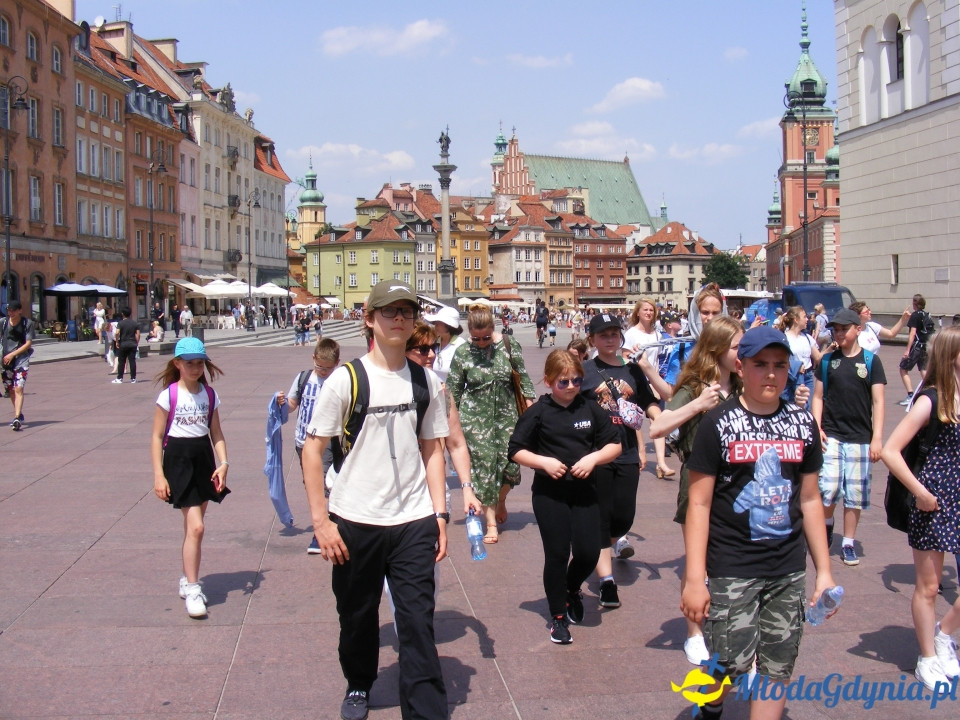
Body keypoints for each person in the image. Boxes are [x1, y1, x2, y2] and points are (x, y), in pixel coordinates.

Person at [301, 281, 451, 720]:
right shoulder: (346, 380)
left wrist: (440, 512)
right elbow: (313, 450)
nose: (399, 319)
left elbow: (433, 450)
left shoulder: (425, 379)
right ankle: (358, 683)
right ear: (369, 318)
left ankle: (425, 712)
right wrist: (320, 522)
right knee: (357, 616)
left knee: (418, 623)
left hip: (413, 520)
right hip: (354, 519)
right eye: (389, 311)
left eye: (406, 311)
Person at [682, 326, 834, 720]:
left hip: (786, 568)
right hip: (733, 565)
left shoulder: (802, 425)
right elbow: (698, 504)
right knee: (727, 662)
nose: (770, 374)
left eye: (780, 366)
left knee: (777, 666)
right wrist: (694, 579)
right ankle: (711, 701)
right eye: (760, 364)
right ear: (740, 366)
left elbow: (810, 498)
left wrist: (824, 572)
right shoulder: (718, 423)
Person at [509, 350, 621, 644]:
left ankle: (571, 589)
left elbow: (615, 445)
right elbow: (516, 449)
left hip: (585, 492)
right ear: (548, 381)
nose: (571, 387)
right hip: (550, 495)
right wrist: (542, 462)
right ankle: (558, 616)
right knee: (557, 554)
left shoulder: (590, 407)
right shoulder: (539, 412)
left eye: (576, 380)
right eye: (563, 382)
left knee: (588, 553)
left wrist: (594, 458)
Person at [649, 315, 743, 665]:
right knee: (697, 563)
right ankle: (694, 633)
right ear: (718, 351)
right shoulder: (694, 386)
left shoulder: (745, 386)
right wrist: (698, 404)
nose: (742, 354)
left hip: (739, 484)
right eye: (737, 348)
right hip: (701, 480)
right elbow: (658, 427)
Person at [881, 326, 960, 691]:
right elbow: (890, 450)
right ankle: (927, 657)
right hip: (935, 499)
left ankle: (944, 634)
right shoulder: (931, 398)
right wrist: (922, 494)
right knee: (928, 587)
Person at [582, 312, 671, 608]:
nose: (609, 339)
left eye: (613, 334)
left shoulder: (633, 370)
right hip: (596, 454)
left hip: (627, 452)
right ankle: (607, 582)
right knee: (601, 518)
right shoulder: (585, 371)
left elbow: (648, 401)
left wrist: (658, 418)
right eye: (603, 335)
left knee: (623, 517)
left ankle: (607, 542)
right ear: (592, 339)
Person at [150, 337, 229, 618]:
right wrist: (159, 476)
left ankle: (186, 577)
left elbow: (216, 433)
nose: (196, 368)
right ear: (177, 364)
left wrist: (224, 462)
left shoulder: (209, 395)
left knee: (192, 525)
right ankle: (194, 588)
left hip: (203, 460)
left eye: (200, 363)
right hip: (178, 461)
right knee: (196, 528)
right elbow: (158, 436)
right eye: (190, 363)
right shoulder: (169, 395)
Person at [448, 304, 535, 543]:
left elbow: (523, 376)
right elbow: (454, 390)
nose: (482, 342)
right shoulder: (463, 352)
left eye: (486, 337)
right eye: (476, 338)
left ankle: (501, 500)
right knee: (485, 469)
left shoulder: (508, 346)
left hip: (507, 417)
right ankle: (490, 524)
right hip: (475, 419)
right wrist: (449, 425)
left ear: (493, 329)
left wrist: (531, 408)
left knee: (510, 467)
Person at [811, 307, 886, 566]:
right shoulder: (828, 361)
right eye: (837, 329)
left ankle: (848, 542)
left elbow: (878, 401)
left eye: (845, 328)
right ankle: (827, 524)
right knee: (827, 488)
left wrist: (877, 438)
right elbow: (818, 397)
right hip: (831, 434)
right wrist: (817, 427)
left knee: (854, 493)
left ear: (858, 329)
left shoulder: (870, 362)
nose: (840, 333)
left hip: (860, 437)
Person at [276, 337, 340, 554]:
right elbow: (294, 403)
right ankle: (327, 523)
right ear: (313, 359)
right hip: (302, 441)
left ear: (337, 364)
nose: (323, 371)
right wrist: (283, 403)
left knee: (322, 485)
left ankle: (319, 532)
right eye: (319, 367)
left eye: (328, 369)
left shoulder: (339, 380)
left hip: (327, 441)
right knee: (311, 485)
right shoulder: (304, 378)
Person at [1, 300, 35, 431]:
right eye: (9, 310)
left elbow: (28, 344)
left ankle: (16, 417)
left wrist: (13, 354)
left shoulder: (27, 323)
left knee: (18, 388)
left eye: (13, 310)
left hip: (21, 360)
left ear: (20, 310)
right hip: (6, 361)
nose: (11, 313)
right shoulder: (3, 322)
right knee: (11, 390)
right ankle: (19, 413)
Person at [782, 305, 822, 411]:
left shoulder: (807, 337)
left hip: (808, 376)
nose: (807, 319)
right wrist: (796, 366)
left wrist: (830, 349)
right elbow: (781, 360)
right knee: (791, 406)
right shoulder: (784, 337)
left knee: (808, 408)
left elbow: (817, 357)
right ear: (796, 319)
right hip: (792, 377)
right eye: (804, 317)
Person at [900, 294, 935, 406]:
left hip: (916, 346)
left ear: (915, 303)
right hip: (925, 346)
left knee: (903, 368)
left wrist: (907, 350)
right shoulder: (926, 314)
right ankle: (933, 390)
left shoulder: (915, 316)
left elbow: (912, 333)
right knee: (923, 369)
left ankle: (910, 395)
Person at [423, 305, 465, 383]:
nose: (435, 325)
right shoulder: (433, 343)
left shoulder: (461, 346)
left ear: (448, 326)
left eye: (438, 323)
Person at [112, 308, 140, 384]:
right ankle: (133, 378)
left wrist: (117, 341)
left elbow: (117, 333)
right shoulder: (135, 323)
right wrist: (137, 342)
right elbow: (138, 334)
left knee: (121, 361)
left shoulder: (120, 323)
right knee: (132, 361)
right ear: (130, 314)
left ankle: (119, 378)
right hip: (132, 343)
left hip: (123, 343)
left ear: (123, 314)